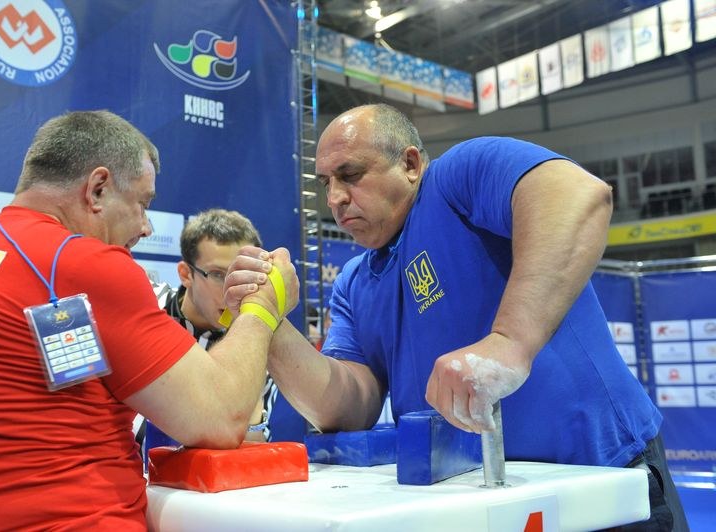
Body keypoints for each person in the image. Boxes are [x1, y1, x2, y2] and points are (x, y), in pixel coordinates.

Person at [230, 103, 688, 530]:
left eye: (350, 175)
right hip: (471, 502)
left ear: (410, 165)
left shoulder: (459, 174)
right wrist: (266, 319)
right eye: (325, 182)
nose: (335, 198)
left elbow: (577, 194)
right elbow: (348, 407)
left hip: (598, 476)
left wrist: (508, 342)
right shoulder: (354, 281)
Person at [0, 110, 298, 530]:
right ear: (97, 189)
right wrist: (262, 305)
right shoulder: (83, 263)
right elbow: (220, 419)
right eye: (142, 203)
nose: (147, 226)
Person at [151, 208, 271, 442]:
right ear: (186, 274)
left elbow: (251, 445)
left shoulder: (257, 341)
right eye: (218, 274)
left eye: (243, 274)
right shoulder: (146, 307)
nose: (232, 289)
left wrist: (251, 354)